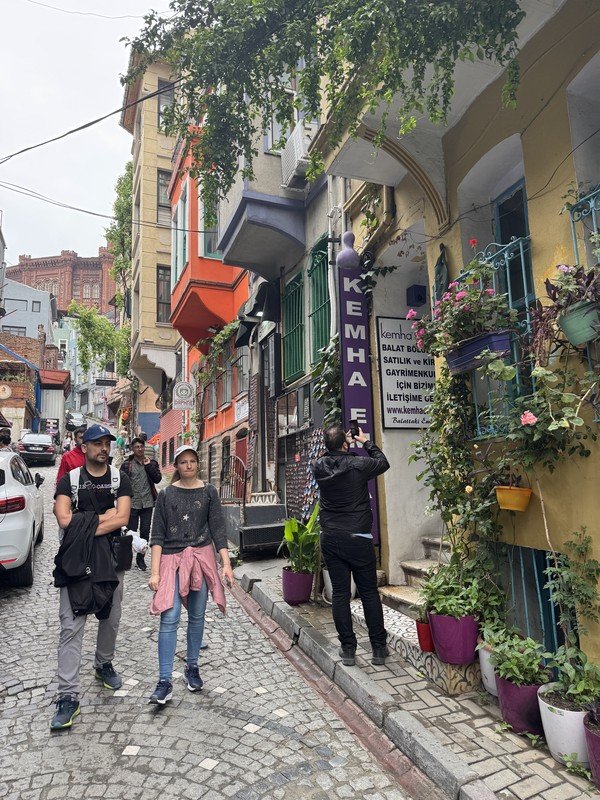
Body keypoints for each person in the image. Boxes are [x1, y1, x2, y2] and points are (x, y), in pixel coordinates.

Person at [51, 424, 133, 730]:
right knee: (71, 625)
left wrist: (82, 523)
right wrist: (103, 518)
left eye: (107, 443)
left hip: (111, 558)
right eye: (97, 443)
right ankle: (68, 695)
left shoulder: (119, 479)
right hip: (76, 561)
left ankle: (103, 663)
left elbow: (122, 517)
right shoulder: (69, 480)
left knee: (110, 617)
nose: (103, 448)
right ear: (83, 447)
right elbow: (63, 519)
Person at [147, 445, 233, 705]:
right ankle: (164, 681)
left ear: (198, 464)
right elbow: (157, 535)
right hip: (171, 560)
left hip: (200, 557)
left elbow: (218, 529)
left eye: (192, 461)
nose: (188, 465)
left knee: (197, 615)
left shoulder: (208, 492)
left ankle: (192, 667)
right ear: (176, 466)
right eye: (183, 462)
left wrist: (226, 564)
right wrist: (154, 573)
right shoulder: (166, 494)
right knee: (169, 616)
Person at [312, 423, 390, 667]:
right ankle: (378, 648)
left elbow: (327, 456)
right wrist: (364, 441)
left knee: (340, 593)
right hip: (358, 537)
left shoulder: (318, 466)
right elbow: (383, 462)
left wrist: (339, 444)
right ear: (345, 444)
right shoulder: (359, 464)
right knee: (368, 593)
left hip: (331, 537)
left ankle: (347, 649)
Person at [120, 437, 162, 571]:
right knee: (131, 533)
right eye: (136, 447)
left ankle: (141, 558)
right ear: (132, 449)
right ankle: (127, 558)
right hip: (132, 503)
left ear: (144, 448)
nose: (139, 449)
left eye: (141, 446)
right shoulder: (127, 464)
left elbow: (158, 479)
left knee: (145, 531)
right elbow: (121, 482)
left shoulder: (152, 463)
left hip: (147, 503)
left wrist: (149, 466)